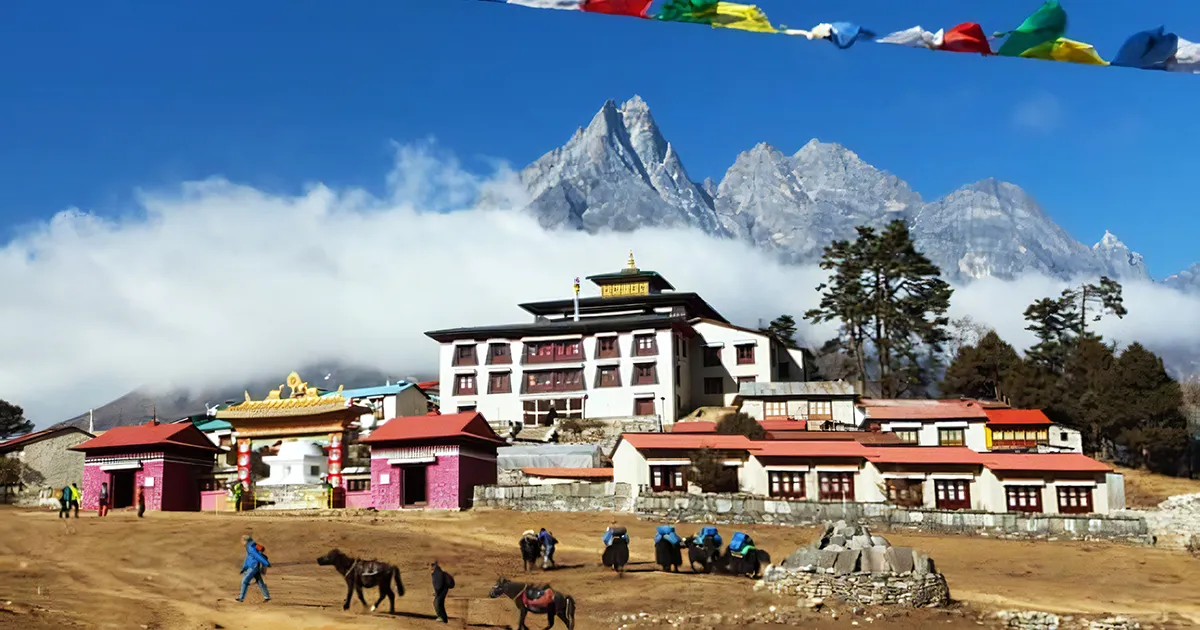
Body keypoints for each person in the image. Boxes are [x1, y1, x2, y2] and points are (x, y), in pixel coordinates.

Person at [237, 535, 271, 603]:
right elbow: (248, 558)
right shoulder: (250, 546)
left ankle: (241, 598)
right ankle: (267, 596)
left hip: (253, 567)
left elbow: (257, 556)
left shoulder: (250, 547)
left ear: (245, 541)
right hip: (254, 566)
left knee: (245, 581)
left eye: (242, 541)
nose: (241, 542)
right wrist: (244, 568)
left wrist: (266, 563)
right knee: (259, 582)